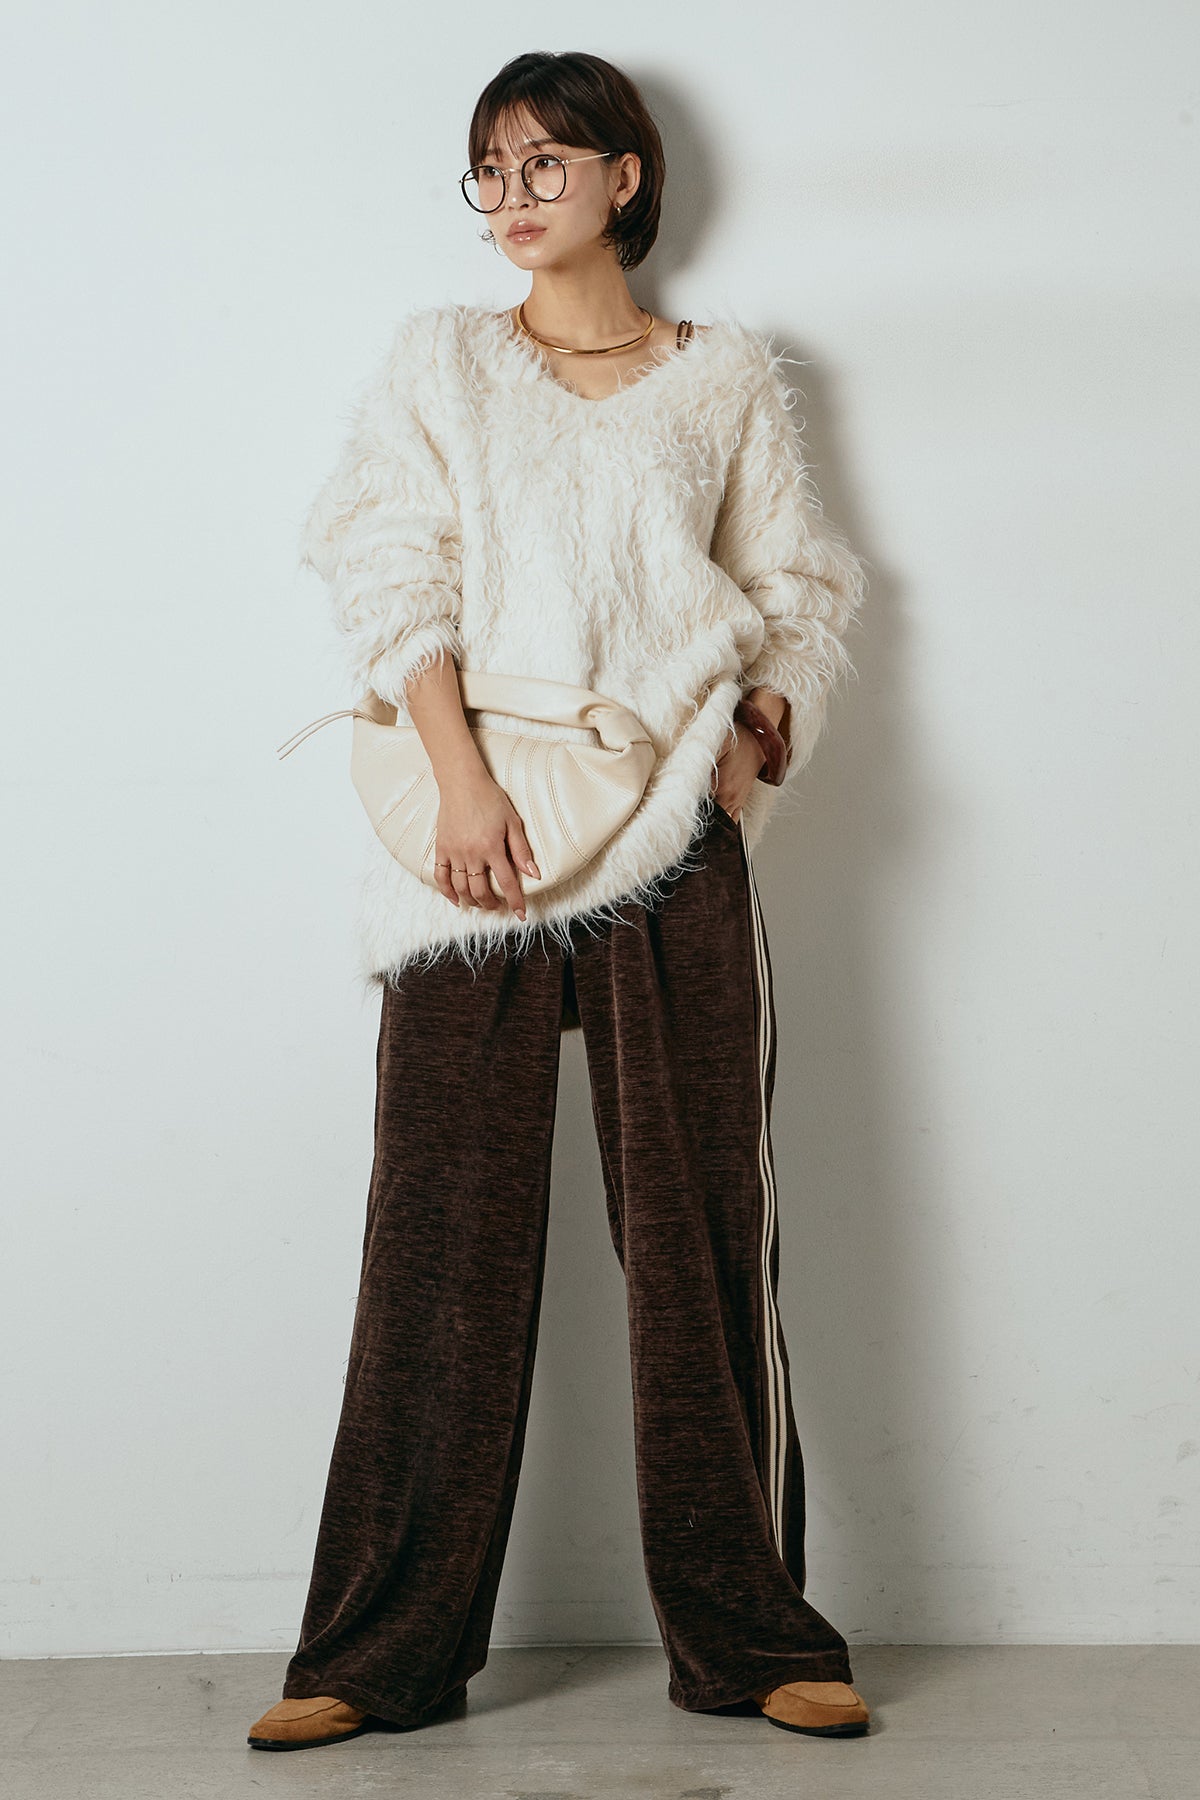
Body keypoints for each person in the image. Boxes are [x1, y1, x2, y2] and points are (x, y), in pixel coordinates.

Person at [249, 49, 870, 1754]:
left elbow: (798, 586)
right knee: (435, 1245)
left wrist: (763, 719)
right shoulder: (439, 362)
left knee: (701, 1242)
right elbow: (388, 563)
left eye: (546, 163)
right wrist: (458, 781)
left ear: (624, 178)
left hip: (673, 832)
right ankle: (374, 1652)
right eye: (491, 170)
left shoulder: (724, 375)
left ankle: (751, 1634)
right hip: (479, 851)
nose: (513, 197)